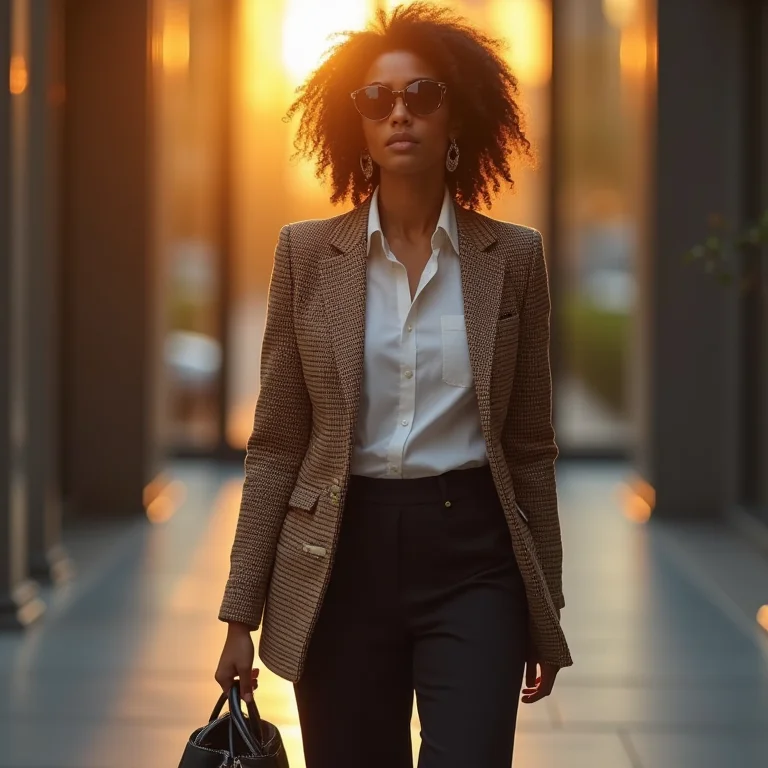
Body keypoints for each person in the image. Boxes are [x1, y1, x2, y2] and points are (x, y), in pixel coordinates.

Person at [215, 4, 572, 766]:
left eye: (422, 95)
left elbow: (531, 445)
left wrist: (548, 606)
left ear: (458, 116)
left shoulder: (512, 258)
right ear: (357, 127)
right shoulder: (306, 255)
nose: (399, 113)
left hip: (475, 555)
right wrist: (239, 613)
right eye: (377, 100)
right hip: (339, 557)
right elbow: (276, 443)